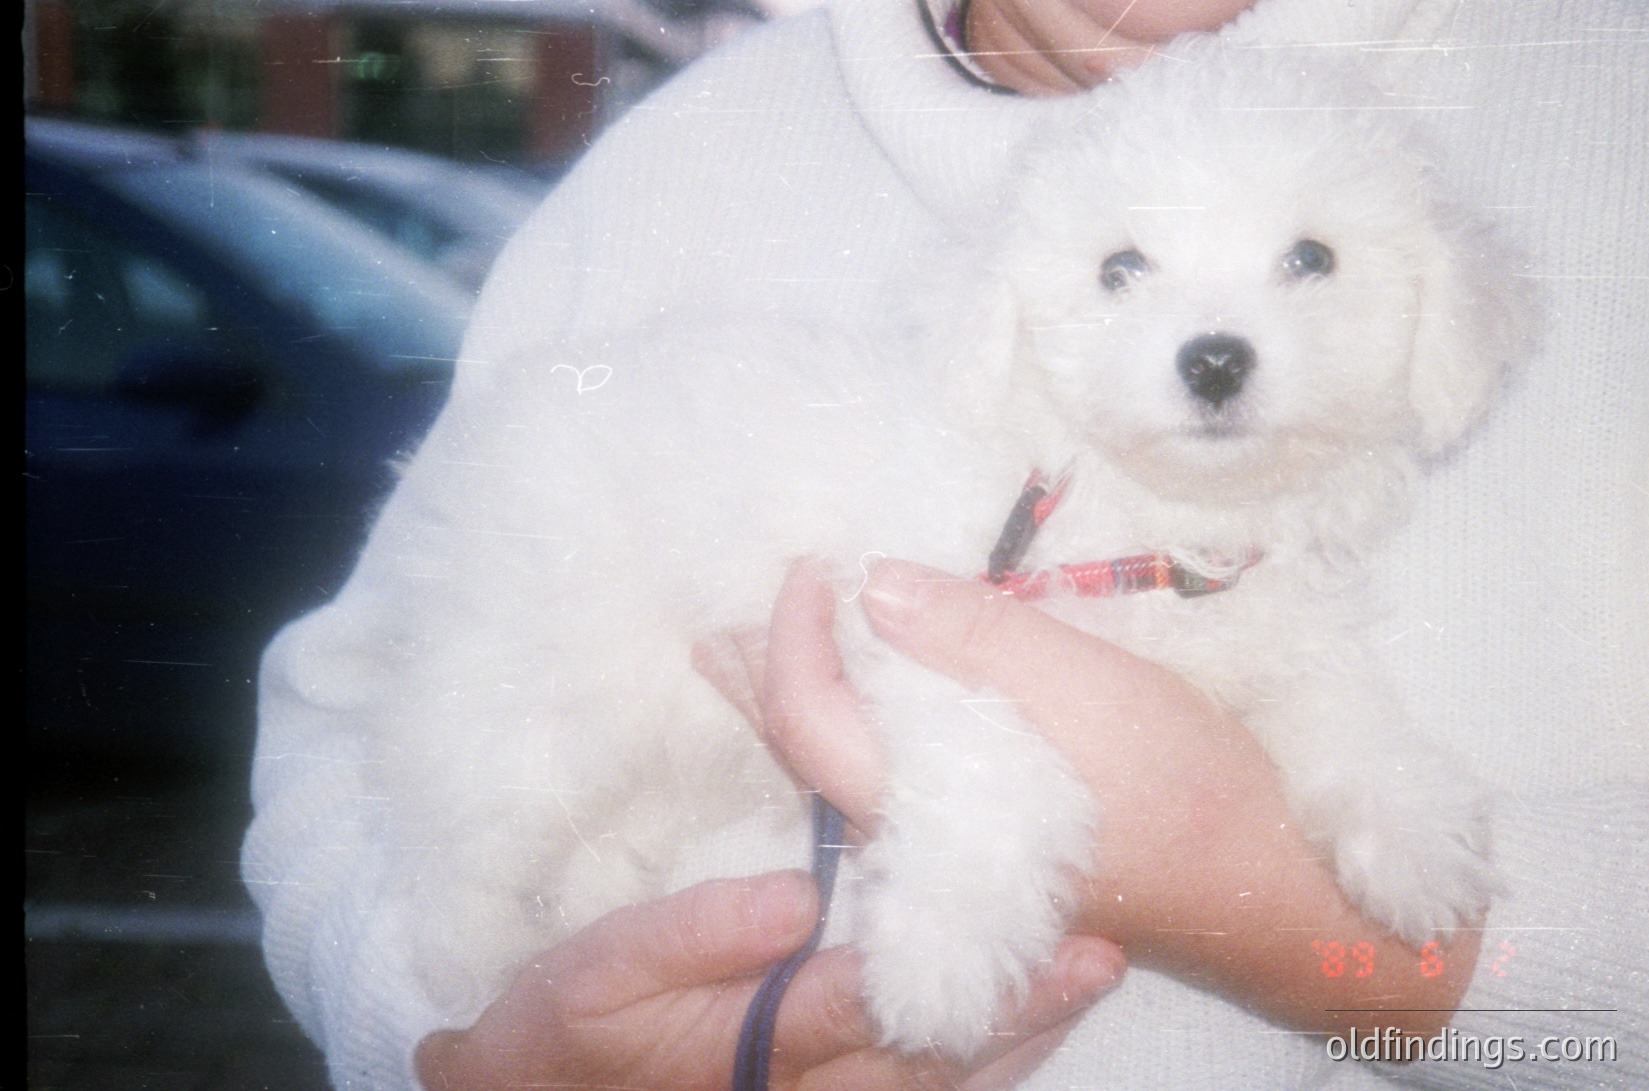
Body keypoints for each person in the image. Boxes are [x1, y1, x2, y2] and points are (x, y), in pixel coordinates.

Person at [243, 1, 1648, 1087]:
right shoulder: (677, 164)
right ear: (1014, 319)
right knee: (511, 799)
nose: (1217, 340)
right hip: (589, 560)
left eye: (1308, 262)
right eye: (1122, 271)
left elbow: (1286, 665)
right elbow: (353, 720)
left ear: (1436, 314)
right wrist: (446, 1045)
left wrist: (1339, 924)